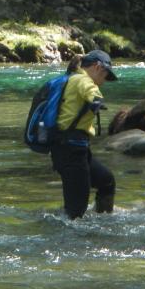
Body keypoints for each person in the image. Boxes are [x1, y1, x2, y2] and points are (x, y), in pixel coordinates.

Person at [50, 49, 117, 218]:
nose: (103, 82)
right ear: (97, 67)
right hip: (70, 150)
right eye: (105, 75)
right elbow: (91, 92)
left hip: (76, 150)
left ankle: (104, 220)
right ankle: (67, 239)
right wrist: (97, 100)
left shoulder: (74, 79)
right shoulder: (82, 80)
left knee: (106, 181)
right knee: (76, 212)